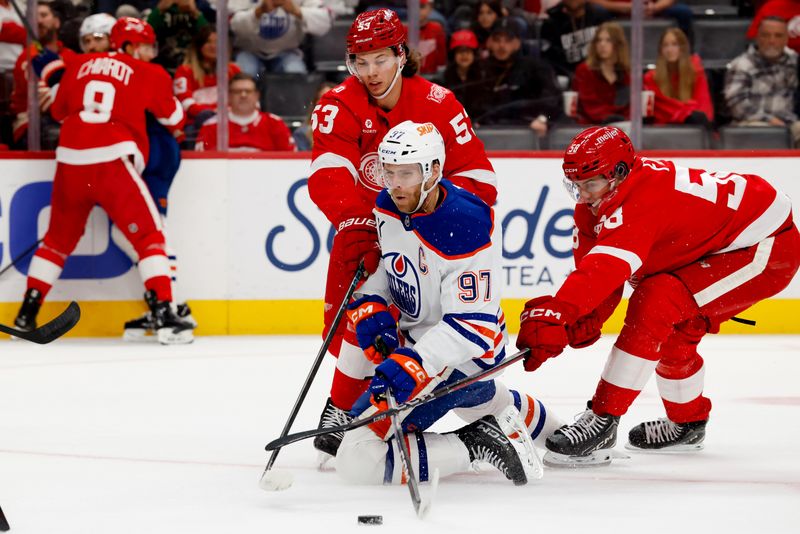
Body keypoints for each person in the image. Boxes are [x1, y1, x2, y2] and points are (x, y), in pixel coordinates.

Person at [514, 126, 800, 466]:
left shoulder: (643, 199)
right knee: (673, 333)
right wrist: (581, 319)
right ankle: (688, 423)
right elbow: (599, 276)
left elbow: (604, 269)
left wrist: (557, 313)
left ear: (619, 173)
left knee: (656, 300)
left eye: (590, 184)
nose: (583, 195)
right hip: (713, 247)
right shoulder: (596, 203)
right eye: (574, 185)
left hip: (763, 247)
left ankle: (603, 419)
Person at [307, 8, 498, 462]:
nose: (370, 72)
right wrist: (355, 220)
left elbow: (479, 179)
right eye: (360, 61)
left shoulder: (438, 101)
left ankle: (406, 402)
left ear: (400, 54)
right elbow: (328, 172)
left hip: (425, 235)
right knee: (357, 322)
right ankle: (341, 407)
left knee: (428, 330)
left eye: (379, 59)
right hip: (365, 232)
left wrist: (429, 213)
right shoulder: (338, 102)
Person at [336, 120, 563, 486]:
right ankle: (562, 439)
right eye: (388, 172)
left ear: (434, 170)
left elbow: (473, 326)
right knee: (481, 399)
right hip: (425, 348)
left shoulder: (463, 223)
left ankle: (475, 442)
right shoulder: (388, 204)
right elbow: (394, 266)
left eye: (406, 174)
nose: (394, 185)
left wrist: (415, 363)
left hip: (464, 355)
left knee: (358, 461)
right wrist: (372, 301)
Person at [13, 17, 194, 345]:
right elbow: (175, 118)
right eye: (147, 46)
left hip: (69, 159)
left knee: (56, 241)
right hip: (112, 159)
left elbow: (58, 110)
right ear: (131, 46)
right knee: (151, 236)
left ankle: (27, 313)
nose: (151, 53)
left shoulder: (79, 64)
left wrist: (53, 71)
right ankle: (166, 311)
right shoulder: (148, 72)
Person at [474, 18, 561, 136]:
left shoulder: (535, 67)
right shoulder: (480, 69)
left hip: (528, 129)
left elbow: (553, 96)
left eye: (508, 40)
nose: (502, 46)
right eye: (497, 40)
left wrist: (543, 118)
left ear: (517, 43)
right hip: (490, 131)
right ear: (489, 42)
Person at [10, 0, 76, 148]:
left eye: (44, 15)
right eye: (33, 16)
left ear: (57, 22)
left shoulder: (72, 57)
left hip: (64, 120)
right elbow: (42, 101)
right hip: (31, 124)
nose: (38, 20)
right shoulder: (26, 57)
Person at [725, 16, 800, 146]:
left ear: (786, 39)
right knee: (767, 132)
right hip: (752, 122)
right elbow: (737, 106)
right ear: (757, 38)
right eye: (766, 35)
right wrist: (769, 119)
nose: (772, 41)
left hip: (789, 121)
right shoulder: (742, 64)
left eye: (778, 36)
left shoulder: (795, 61)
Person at [195, 72, 296, 151]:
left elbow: (291, 160)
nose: (243, 95)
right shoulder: (211, 126)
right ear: (229, 96)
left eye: (248, 91)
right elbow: (204, 164)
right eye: (237, 91)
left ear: (257, 95)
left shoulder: (275, 124)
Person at [173, 26, 241, 144]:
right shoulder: (184, 71)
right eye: (208, 42)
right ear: (199, 46)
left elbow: (241, 98)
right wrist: (213, 112)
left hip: (228, 121)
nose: (213, 46)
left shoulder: (233, 70)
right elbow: (184, 103)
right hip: (195, 124)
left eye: (217, 42)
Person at [230, 0, 333, 77]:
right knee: (243, 78)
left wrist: (296, 10)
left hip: (287, 52)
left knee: (295, 73)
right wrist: (259, 12)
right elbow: (234, 26)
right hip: (249, 51)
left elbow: (324, 23)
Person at [643, 27, 713, 127]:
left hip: (692, 126)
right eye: (665, 45)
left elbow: (704, 107)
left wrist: (686, 113)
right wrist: (687, 111)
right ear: (660, 50)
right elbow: (661, 109)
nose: (669, 50)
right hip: (663, 128)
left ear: (683, 48)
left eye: (674, 44)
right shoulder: (651, 78)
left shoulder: (696, 72)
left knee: (698, 118)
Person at [571, 21, 630, 125]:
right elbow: (590, 106)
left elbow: (629, 105)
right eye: (599, 40)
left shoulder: (626, 72)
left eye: (608, 40)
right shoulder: (585, 70)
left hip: (622, 124)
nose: (602, 44)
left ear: (618, 44)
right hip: (591, 126)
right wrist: (614, 118)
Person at [540, 0, 612, 78]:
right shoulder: (551, 22)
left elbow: (614, 50)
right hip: (568, 78)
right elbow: (550, 61)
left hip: (600, 74)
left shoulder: (600, 16)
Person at [147, 0, 210, 74]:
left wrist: (195, 12)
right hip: (159, 68)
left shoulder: (202, 6)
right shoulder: (152, 5)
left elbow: (208, 36)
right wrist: (159, 10)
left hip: (192, 70)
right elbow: (145, 33)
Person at [442, 29, 483, 120]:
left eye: (468, 51)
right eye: (460, 51)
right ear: (453, 55)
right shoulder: (443, 79)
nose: (464, 56)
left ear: (474, 54)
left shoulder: (484, 76)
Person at [416, 0, 446, 74]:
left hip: (431, 74)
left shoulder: (437, 28)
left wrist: (441, 70)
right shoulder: (404, 29)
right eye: (413, 7)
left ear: (430, 8)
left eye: (421, 7)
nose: (417, 10)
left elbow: (441, 51)